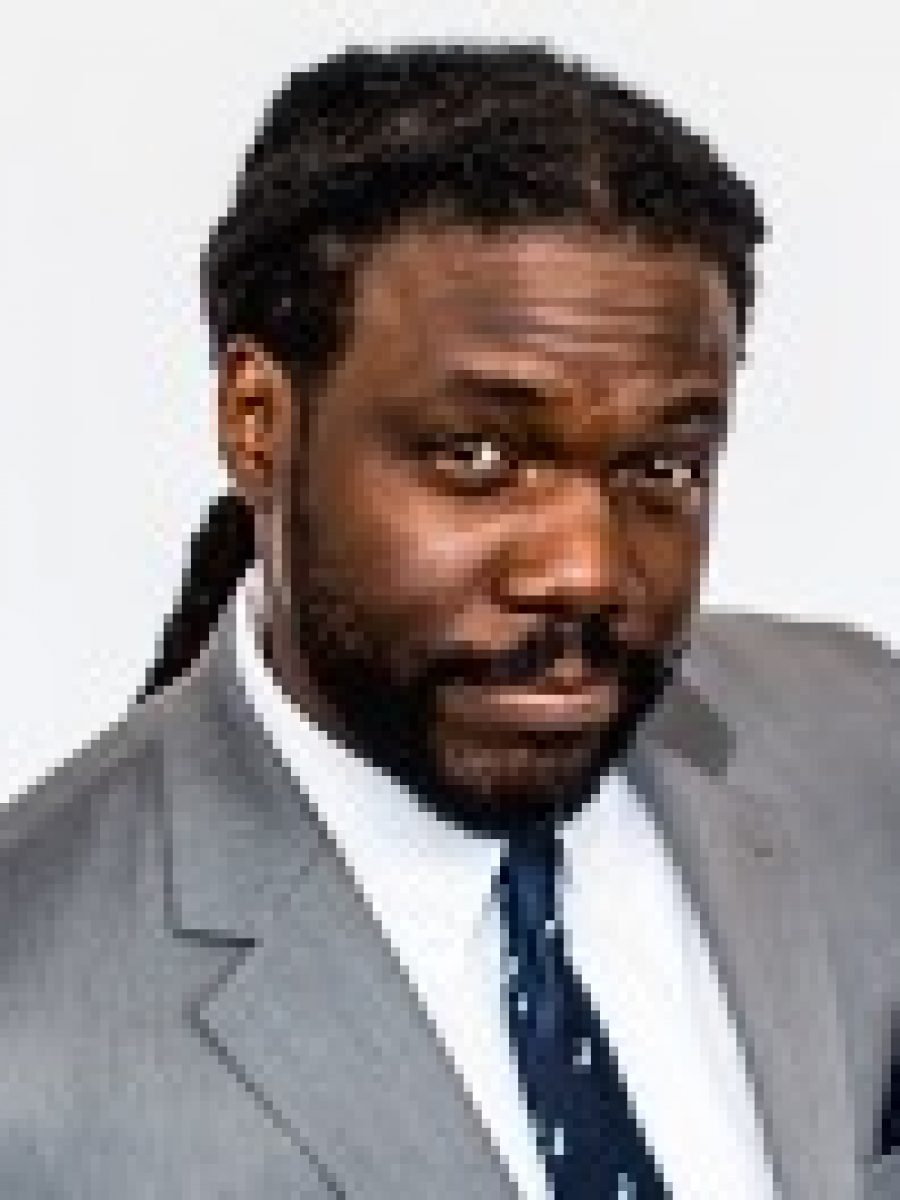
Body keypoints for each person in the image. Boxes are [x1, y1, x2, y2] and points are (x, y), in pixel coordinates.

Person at [3, 43, 898, 1200]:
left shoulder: (859, 736)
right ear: (256, 420)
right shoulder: (30, 1023)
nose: (585, 570)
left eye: (662, 467)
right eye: (476, 455)